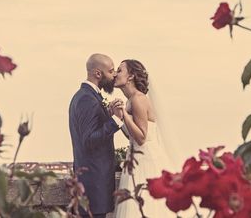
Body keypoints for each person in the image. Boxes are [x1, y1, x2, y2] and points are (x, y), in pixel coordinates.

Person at [112, 59, 176, 218]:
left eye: (119, 70)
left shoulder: (138, 99)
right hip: (136, 159)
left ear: (131, 76)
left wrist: (125, 115)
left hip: (145, 161)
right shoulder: (130, 100)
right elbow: (131, 135)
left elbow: (141, 137)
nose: (115, 74)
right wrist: (120, 117)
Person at [68, 53, 124, 218]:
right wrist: (115, 120)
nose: (114, 75)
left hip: (94, 184)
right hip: (93, 185)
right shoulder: (87, 99)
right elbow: (89, 140)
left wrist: (107, 114)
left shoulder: (90, 96)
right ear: (98, 74)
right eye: (111, 71)